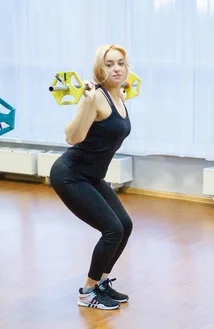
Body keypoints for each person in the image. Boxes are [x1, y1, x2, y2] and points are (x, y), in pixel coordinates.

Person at [49, 44, 134, 311]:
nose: (116, 68)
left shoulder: (119, 96)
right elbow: (72, 138)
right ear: (100, 69)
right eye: (109, 64)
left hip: (93, 176)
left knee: (125, 225)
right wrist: (85, 102)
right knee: (112, 230)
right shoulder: (95, 97)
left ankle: (102, 282)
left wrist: (123, 87)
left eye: (120, 63)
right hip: (71, 175)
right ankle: (87, 292)